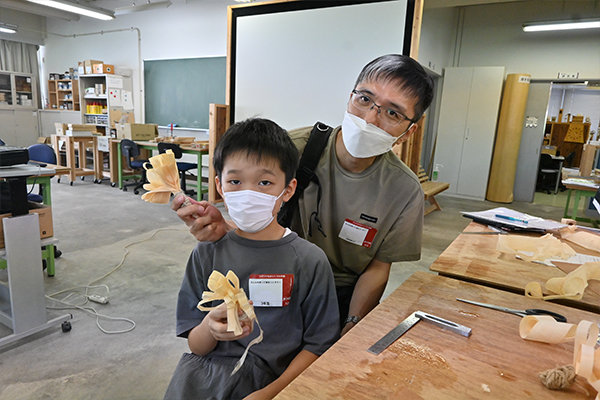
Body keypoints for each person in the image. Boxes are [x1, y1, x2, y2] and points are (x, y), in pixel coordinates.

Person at [173, 54, 434, 336]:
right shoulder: (292, 151)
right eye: (365, 99)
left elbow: (378, 268)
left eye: (392, 113)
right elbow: (258, 219)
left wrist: (352, 324)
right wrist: (224, 227)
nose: (370, 118)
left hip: (341, 292)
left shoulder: (403, 192)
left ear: (408, 132)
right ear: (350, 97)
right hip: (275, 273)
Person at [164, 118, 339, 400]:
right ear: (219, 186)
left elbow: (318, 346)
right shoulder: (206, 253)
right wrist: (210, 327)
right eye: (235, 181)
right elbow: (195, 346)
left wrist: (270, 394)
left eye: (264, 182)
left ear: (288, 189)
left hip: (274, 382)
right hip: (207, 376)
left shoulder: (309, 261)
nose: (249, 193)